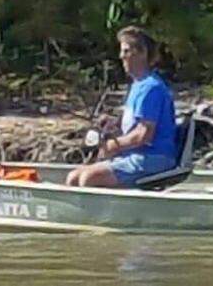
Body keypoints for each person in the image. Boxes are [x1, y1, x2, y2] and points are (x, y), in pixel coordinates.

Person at [65, 26, 178, 188]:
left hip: (153, 158)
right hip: (134, 156)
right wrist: (114, 123)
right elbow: (135, 123)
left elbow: (143, 135)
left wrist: (113, 146)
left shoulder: (151, 88)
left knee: (87, 179)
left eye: (126, 51)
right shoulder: (137, 86)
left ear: (142, 53)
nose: (121, 56)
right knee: (73, 177)